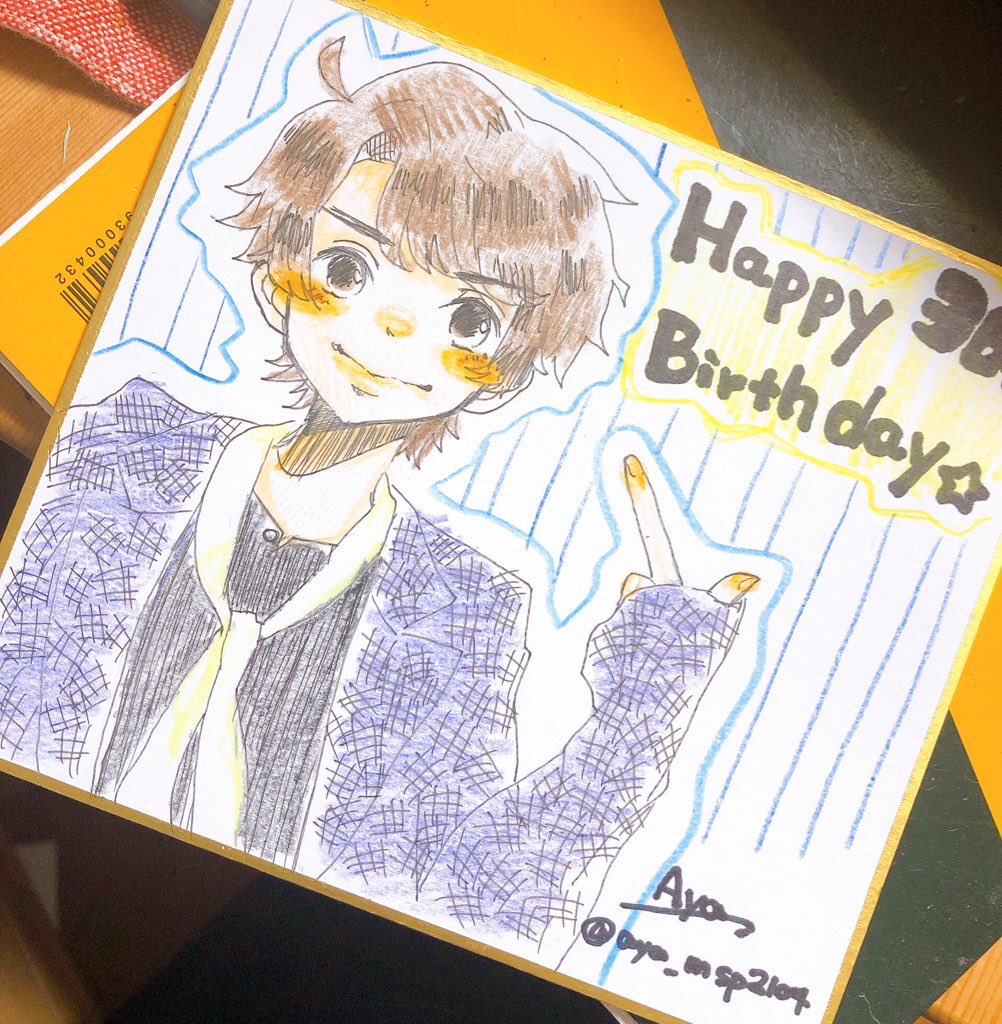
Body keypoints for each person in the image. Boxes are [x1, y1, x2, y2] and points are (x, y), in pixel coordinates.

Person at [1, 39, 756, 955]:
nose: (391, 327)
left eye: (469, 316)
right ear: (282, 261)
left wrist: (643, 703)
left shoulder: (458, 608)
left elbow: (478, 901)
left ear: (510, 366)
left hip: (255, 939)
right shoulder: (129, 449)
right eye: (349, 269)